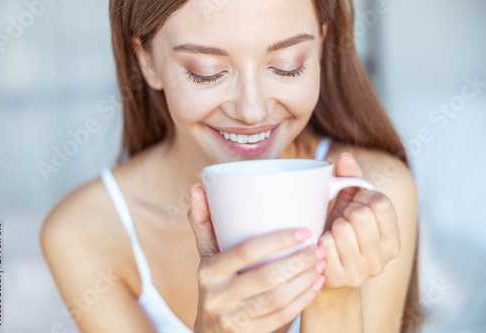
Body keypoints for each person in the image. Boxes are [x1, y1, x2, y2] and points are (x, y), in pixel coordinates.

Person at [40, 0, 421, 332]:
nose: (252, 111)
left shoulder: (373, 195)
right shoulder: (83, 233)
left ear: (321, 45)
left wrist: (334, 297)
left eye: (288, 66)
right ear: (147, 61)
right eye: (207, 72)